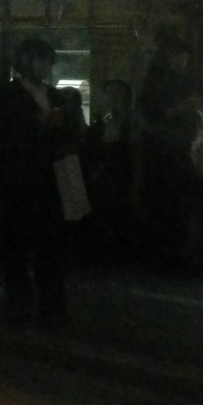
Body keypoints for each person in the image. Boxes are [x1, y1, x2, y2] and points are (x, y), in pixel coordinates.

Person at [0, 38, 69, 326]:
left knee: (49, 244)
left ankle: (51, 305)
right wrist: (42, 127)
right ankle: (20, 302)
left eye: (49, 61)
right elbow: (8, 135)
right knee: (18, 242)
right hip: (21, 179)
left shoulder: (53, 95)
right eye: (42, 60)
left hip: (49, 177)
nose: (46, 66)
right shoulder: (9, 95)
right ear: (26, 62)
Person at [139, 36, 203, 273]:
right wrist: (182, 109)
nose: (182, 63)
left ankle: (171, 258)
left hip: (176, 151)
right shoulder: (157, 84)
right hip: (163, 154)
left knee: (175, 207)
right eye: (178, 58)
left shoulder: (178, 82)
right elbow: (152, 114)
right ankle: (167, 259)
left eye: (184, 58)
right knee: (168, 206)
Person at [81, 79, 136, 265]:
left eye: (118, 94)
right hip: (102, 178)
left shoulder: (132, 125)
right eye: (110, 94)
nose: (113, 98)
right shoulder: (99, 125)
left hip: (123, 178)